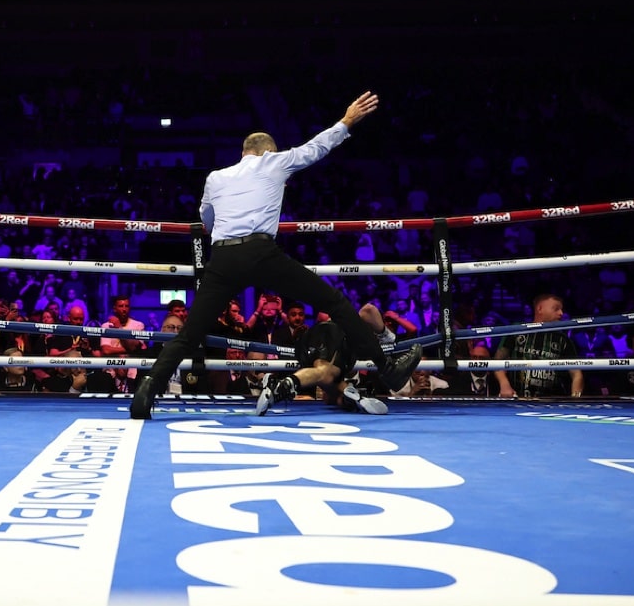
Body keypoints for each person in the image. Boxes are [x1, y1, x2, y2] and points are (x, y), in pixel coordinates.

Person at [131, 91, 422, 420]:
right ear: (266, 151)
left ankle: (146, 392)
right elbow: (316, 148)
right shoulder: (274, 162)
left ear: (243, 153)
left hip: (223, 256)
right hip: (260, 252)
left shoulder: (216, 177)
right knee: (336, 304)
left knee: (189, 335)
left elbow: (207, 222)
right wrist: (348, 120)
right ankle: (387, 368)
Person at [255, 320, 388, 415]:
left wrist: (343, 400)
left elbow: (328, 397)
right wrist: (387, 335)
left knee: (328, 379)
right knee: (325, 373)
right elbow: (368, 310)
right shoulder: (348, 325)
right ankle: (279, 387)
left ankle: (352, 398)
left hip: (308, 349)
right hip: (331, 337)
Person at [492, 293, 584, 399]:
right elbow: (498, 362)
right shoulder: (517, 330)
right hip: (517, 399)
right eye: (556, 309)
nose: (561, 313)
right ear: (540, 309)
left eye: (561, 309)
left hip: (552, 403)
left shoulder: (563, 340)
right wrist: (504, 385)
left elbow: (577, 374)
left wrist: (575, 398)